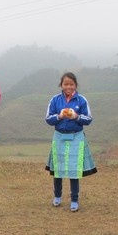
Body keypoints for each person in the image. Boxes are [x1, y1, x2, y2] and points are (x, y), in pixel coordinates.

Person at [44, 72, 97, 212]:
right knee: (58, 170)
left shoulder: (81, 100)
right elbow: (48, 119)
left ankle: (74, 199)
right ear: (61, 85)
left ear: (76, 85)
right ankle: (57, 197)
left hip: (76, 137)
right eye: (66, 84)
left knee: (74, 171)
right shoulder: (55, 100)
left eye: (71, 84)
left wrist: (76, 116)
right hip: (59, 136)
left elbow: (89, 119)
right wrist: (59, 116)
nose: (68, 87)